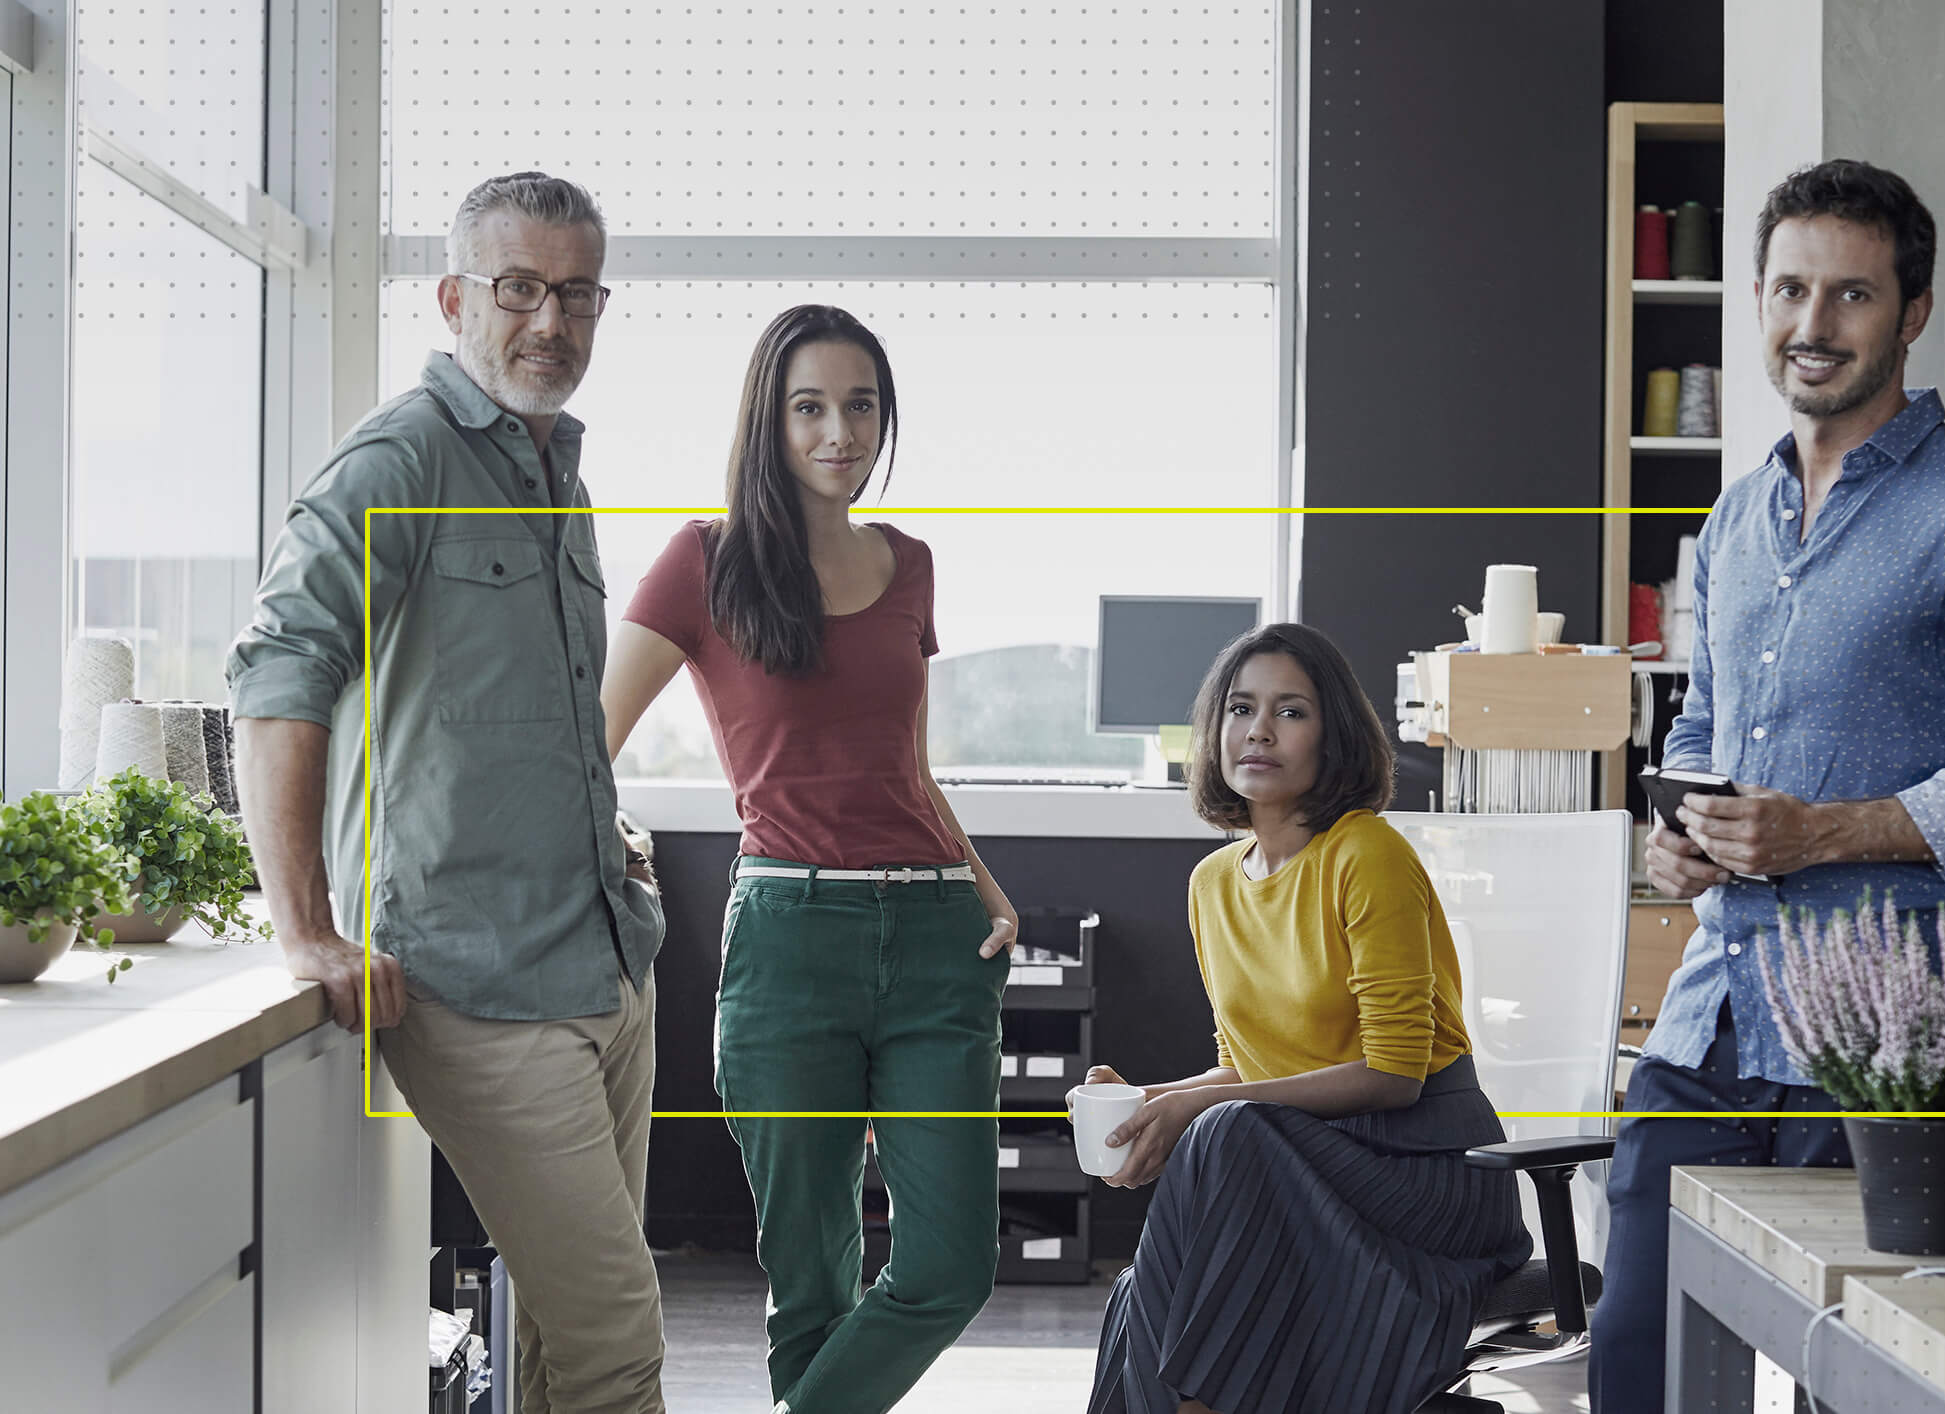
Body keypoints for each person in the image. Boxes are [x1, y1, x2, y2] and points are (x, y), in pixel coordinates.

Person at [1587, 159, 1945, 1414]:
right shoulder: (1733, 520)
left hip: (1882, 1047)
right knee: (1635, 1361)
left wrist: (1826, 833)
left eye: (1850, 296)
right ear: (1756, 299)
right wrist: (1679, 840)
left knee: (1843, 1390)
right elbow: (1703, 718)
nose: (1811, 327)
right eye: (1788, 290)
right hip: (1709, 1013)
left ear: (1910, 313)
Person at [227, 171, 668, 1414]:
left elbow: (526, 709)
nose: (549, 322)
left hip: (607, 961)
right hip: (478, 987)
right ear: (453, 297)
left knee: (558, 1342)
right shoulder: (393, 460)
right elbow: (276, 673)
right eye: (517, 288)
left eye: (576, 294)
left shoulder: (555, 473)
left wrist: (606, 837)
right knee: (618, 1340)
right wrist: (304, 926)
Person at [599, 304, 1020, 1414]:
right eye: (810, 407)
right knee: (810, 1284)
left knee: (945, 1268)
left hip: (937, 935)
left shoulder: (911, 564)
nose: (840, 431)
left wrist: (982, 884)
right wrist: (605, 845)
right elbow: (586, 739)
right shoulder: (702, 559)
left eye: (861, 405)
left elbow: (907, 763)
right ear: (768, 421)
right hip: (789, 938)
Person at [1084, 622, 1532, 1414]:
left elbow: (1395, 1076)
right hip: (1303, 1159)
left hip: (1428, 1164)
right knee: (1152, 1270)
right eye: (1240, 708)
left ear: (1334, 737)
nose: (1258, 729)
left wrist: (1199, 1108)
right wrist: (1154, 1102)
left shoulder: (1367, 854)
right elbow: (1247, 1068)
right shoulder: (1213, 883)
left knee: (1222, 1135)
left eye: (1290, 712)